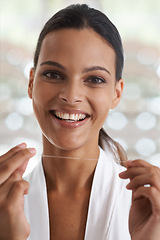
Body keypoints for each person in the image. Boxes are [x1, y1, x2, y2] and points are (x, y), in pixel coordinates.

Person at [0, 4, 160, 240]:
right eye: (53, 74)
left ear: (117, 93)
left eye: (94, 79)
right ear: (31, 82)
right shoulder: (4, 205)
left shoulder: (151, 208)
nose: (71, 95)